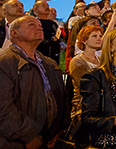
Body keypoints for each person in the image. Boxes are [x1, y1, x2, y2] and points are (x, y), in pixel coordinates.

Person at [0, 16, 64, 148]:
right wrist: (30, 136)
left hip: (49, 141)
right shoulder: (5, 63)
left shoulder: (49, 63)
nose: (39, 27)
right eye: (31, 25)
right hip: (18, 143)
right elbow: (3, 108)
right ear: (14, 33)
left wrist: (58, 131)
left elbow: (62, 98)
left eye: (40, 25)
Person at [69, 25, 103, 120]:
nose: (99, 39)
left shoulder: (100, 60)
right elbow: (85, 85)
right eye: (94, 36)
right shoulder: (77, 61)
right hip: (83, 107)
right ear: (84, 40)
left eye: (100, 36)